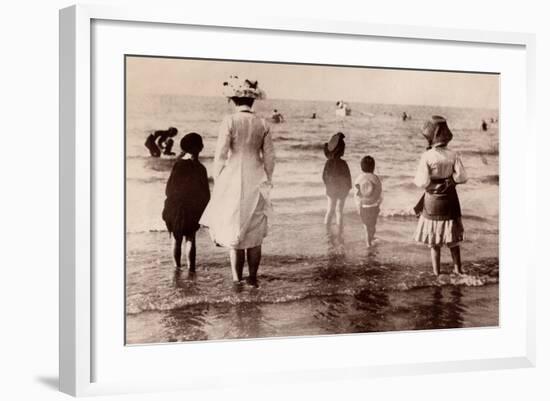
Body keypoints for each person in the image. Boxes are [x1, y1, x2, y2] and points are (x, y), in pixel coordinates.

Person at [200, 76, 275, 285]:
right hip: (256, 177)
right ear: (253, 101)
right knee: (254, 231)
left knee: (235, 227)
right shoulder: (262, 122)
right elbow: (270, 157)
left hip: (233, 177)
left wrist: (218, 179)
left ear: (233, 100)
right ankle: (252, 278)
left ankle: (236, 279)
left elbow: (221, 154)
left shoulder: (229, 121)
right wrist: (268, 178)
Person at [413, 116, 468, 276]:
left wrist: (433, 184)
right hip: (450, 199)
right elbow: (462, 177)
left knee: (434, 243)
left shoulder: (427, 156)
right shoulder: (453, 154)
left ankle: (437, 273)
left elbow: (422, 181)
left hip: (433, 201)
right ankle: (458, 269)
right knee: (453, 240)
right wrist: (451, 180)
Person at [162, 133, 210, 271]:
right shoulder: (201, 168)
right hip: (192, 208)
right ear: (200, 148)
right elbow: (205, 194)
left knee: (175, 238)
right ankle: (191, 269)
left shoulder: (178, 165)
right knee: (190, 238)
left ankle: (177, 268)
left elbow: (169, 189)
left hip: (174, 206)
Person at [322, 132, 352, 233]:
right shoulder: (343, 163)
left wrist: (328, 186)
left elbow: (324, 177)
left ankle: (327, 230)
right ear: (341, 150)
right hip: (342, 189)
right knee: (339, 211)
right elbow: (348, 177)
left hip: (331, 188)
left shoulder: (328, 162)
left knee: (330, 210)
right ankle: (340, 232)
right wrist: (348, 188)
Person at [354, 156, 382, 247]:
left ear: (361, 167)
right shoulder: (376, 178)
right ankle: (371, 237)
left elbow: (357, 195)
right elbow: (380, 193)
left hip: (363, 206)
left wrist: (358, 207)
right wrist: (378, 203)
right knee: (373, 225)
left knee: (366, 226)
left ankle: (368, 243)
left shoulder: (359, 179)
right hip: (374, 206)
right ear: (373, 167)